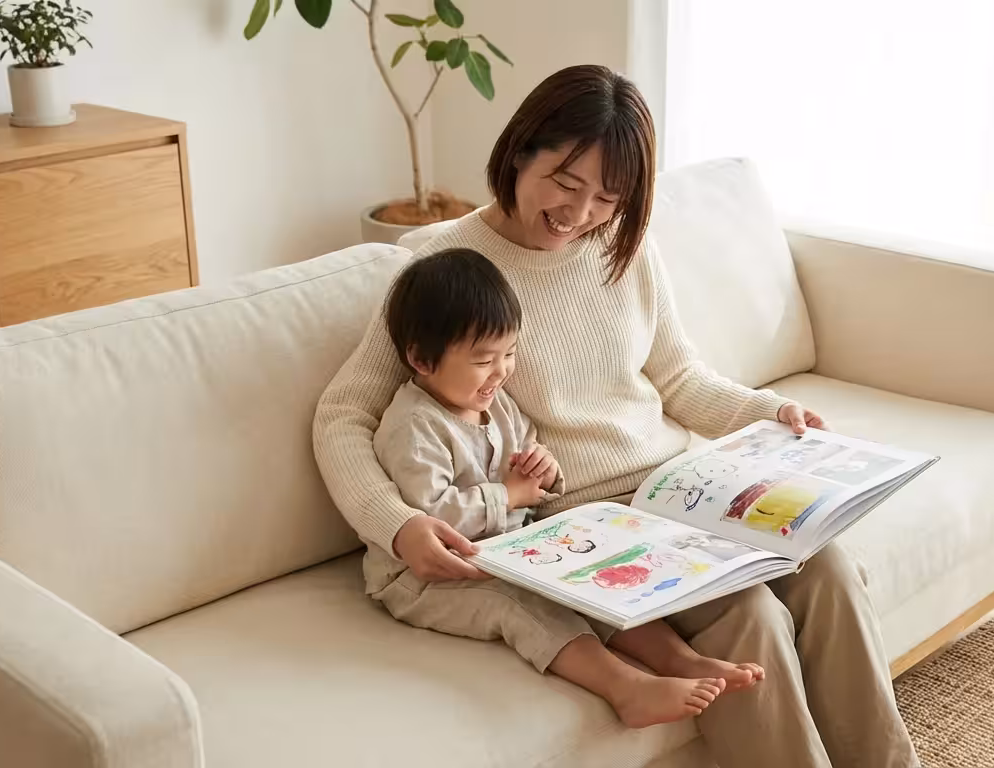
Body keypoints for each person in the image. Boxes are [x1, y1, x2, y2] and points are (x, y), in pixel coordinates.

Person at [315, 64, 919, 768]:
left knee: (831, 569)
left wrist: (771, 412)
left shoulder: (624, 248)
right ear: (519, 152)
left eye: (608, 196)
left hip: (684, 486)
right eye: (566, 184)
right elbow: (343, 415)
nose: (580, 213)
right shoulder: (444, 267)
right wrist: (397, 524)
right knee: (748, 616)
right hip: (583, 521)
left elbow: (680, 378)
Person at [368, 247, 764, 728]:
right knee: (523, 603)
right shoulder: (414, 426)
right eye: (483, 359)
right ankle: (627, 688)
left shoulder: (493, 402)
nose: (500, 371)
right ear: (421, 359)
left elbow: (531, 456)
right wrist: (509, 495)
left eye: (509, 354)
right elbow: (431, 518)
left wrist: (543, 469)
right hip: (427, 578)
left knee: (586, 581)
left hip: (506, 549)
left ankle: (682, 660)